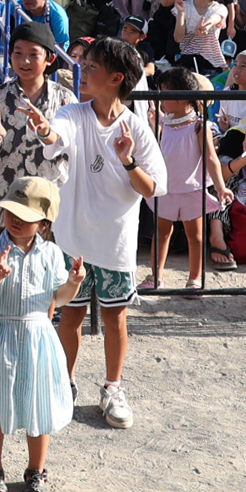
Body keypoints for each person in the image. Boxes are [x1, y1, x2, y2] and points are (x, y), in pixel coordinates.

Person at [50, 36, 164, 429]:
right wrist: (46, 133)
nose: (83, 69)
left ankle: (113, 387)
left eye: (92, 66)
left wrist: (127, 160)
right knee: (71, 315)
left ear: (117, 78)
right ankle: (64, 382)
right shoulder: (72, 113)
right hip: (73, 237)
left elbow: (153, 188)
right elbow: (56, 137)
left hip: (115, 239)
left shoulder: (135, 127)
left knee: (116, 317)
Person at [0, 176, 82, 492]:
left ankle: (36, 470)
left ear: (44, 222)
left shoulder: (53, 254)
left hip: (37, 336)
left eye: (25, 215)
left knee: (38, 405)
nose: (15, 218)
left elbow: (61, 297)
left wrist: (74, 282)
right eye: (11, 210)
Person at [147, 65, 224, 291]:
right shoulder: (163, 123)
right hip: (166, 188)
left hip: (192, 188)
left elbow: (211, 158)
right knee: (160, 233)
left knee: (196, 236)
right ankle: (155, 276)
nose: (161, 98)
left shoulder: (199, 126)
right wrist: (154, 125)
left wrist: (220, 187)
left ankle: (195, 278)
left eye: (165, 93)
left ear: (181, 97)